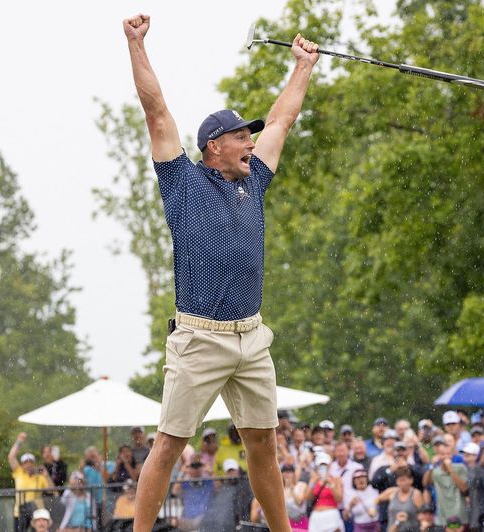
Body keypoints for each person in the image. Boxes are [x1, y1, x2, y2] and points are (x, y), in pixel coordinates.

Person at [123, 12, 321, 532]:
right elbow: (155, 110)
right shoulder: (182, 182)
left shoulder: (253, 181)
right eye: (241, 137)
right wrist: (136, 43)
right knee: (169, 444)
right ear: (214, 146)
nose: (252, 142)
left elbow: (280, 121)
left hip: (251, 337)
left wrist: (302, 66)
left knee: (263, 442)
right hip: (199, 338)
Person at [7, 432, 52, 532]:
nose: (28, 465)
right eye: (26, 463)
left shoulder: (40, 477)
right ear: (22, 464)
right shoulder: (19, 472)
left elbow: (51, 491)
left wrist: (46, 476)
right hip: (20, 512)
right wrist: (19, 441)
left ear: (34, 464)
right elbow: (11, 457)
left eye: (30, 462)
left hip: (35, 513)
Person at [425, 434, 469, 528]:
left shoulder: (460, 467)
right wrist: (432, 466)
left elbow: (464, 489)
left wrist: (451, 470)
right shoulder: (435, 471)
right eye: (442, 454)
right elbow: (426, 483)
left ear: (451, 455)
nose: (445, 457)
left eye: (448, 454)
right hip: (442, 519)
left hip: (460, 516)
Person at [172, 459, 214, 531]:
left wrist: (210, 471)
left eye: (198, 465)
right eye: (193, 466)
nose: (196, 469)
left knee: (202, 521)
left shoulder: (208, 481)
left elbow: (219, 486)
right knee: (173, 522)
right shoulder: (185, 482)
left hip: (203, 519)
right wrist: (182, 472)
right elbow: (174, 491)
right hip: (187, 520)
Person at [306, 453, 345, 532]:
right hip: (316, 517)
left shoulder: (336, 479)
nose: (323, 468)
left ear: (329, 466)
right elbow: (307, 498)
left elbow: (339, 499)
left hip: (331, 515)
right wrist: (312, 482)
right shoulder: (314, 480)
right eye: (320, 466)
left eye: (325, 465)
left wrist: (331, 484)